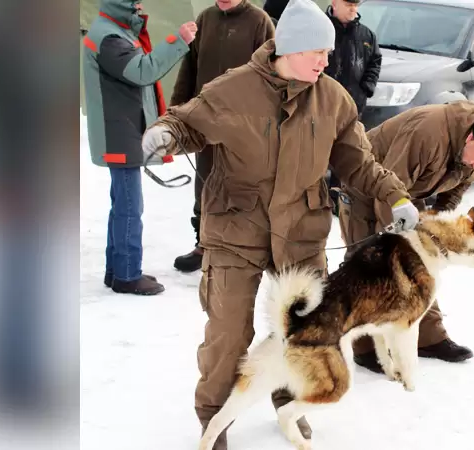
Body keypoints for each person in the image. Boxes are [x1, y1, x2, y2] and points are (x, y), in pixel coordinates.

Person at [140, 0, 419, 447]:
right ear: (289, 48)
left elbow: (359, 163)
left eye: (328, 53)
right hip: (236, 229)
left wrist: (396, 195)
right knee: (228, 332)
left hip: (301, 233)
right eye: (318, 53)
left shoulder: (333, 99)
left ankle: (289, 403)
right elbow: (187, 122)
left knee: (304, 331)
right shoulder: (234, 89)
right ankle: (214, 418)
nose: (327, 62)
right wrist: (165, 134)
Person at [337, 100, 474, 372]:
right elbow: (389, 183)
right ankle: (365, 347)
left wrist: (436, 225)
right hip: (367, 187)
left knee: (423, 266)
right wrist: (398, 244)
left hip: (408, 195)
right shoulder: (427, 133)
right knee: (369, 263)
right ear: (470, 137)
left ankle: (429, 338)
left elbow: (455, 190)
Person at [82, 0, 196, 295]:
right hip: (120, 133)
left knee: (121, 204)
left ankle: (116, 270)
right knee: (130, 207)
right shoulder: (109, 38)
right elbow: (143, 71)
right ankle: (128, 274)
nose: (141, 4)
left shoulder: (112, 31)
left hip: (122, 130)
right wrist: (178, 41)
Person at [170, 0, 276, 273]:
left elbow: (273, 72)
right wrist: (179, 108)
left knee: (242, 185)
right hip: (206, 118)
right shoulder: (205, 19)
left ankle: (243, 248)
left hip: (245, 123)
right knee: (205, 181)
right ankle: (203, 244)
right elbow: (190, 67)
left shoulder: (259, 22)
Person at [323, 0, 382, 212]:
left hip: (353, 106)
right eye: (349, 4)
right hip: (322, 105)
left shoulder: (367, 35)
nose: (353, 9)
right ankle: (316, 198)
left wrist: (366, 87)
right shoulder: (322, 28)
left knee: (347, 151)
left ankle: (338, 199)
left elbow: (375, 61)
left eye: (356, 5)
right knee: (319, 151)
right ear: (334, 3)